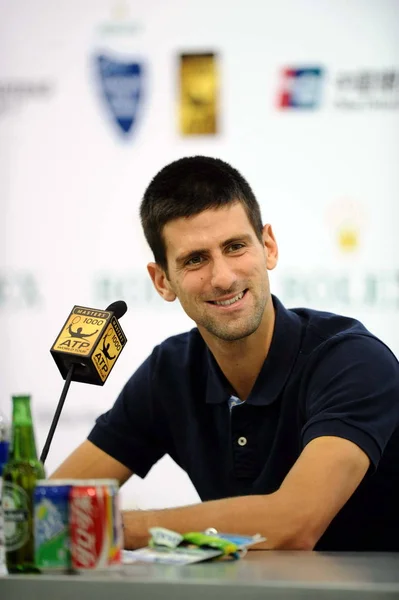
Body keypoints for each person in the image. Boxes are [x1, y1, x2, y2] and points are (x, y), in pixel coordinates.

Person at [52, 156, 399, 551]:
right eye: (195, 259)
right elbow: (51, 506)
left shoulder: (352, 360)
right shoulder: (170, 370)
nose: (223, 277)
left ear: (268, 246)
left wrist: (111, 525)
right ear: (163, 280)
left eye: (235, 247)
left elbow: (294, 524)